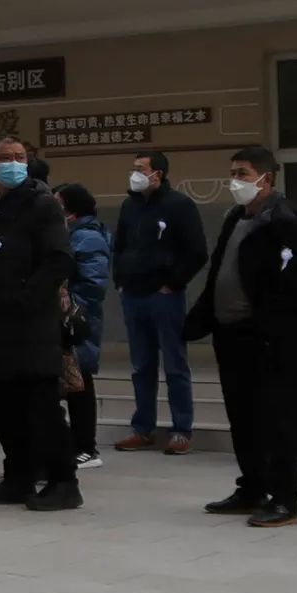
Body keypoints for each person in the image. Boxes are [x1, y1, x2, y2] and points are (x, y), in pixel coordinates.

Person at [188, 147, 297, 528]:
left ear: (267, 178)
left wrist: (279, 328)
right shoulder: (235, 216)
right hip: (231, 335)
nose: (235, 181)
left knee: (277, 419)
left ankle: (286, 500)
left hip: (268, 337)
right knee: (242, 417)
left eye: (243, 174)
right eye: (233, 173)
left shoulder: (286, 219)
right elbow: (219, 270)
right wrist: (201, 318)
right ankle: (252, 488)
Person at [0, 135, 81, 510]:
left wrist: (27, 297)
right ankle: (18, 477)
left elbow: (59, 259)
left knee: (42, 409)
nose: (13, 163)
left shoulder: (41, 204)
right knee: (5, 409)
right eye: (6, 157)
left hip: (32, 325)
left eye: (20, 157)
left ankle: (63, 482)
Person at [113, 149, 207, 455]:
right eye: (134, 168)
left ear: (158, 174)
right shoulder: (129, 206)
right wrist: (120, 280)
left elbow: (197, 251)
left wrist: (173, 283)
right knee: (141, 365)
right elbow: (120, 245)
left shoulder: (179, 205)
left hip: (164, 296)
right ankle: (143, 428)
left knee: (174, 364)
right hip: (133, 294)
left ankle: (181, 429)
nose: (135, 174)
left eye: (141, 169)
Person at [55, 184, 110, 470]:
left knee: (81, 382)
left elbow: (93, 283)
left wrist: (69, 307)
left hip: (77, 319)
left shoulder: (87, 237)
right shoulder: (69, 234)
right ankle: (73, 444)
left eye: (58, 203)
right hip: (64, 318)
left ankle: (86, 447)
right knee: (71, 381)